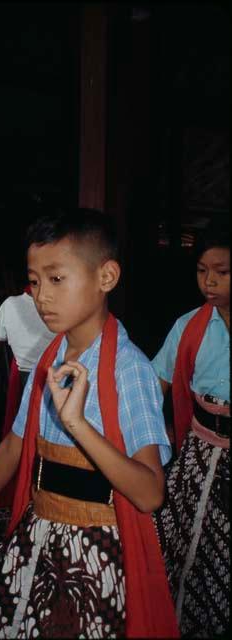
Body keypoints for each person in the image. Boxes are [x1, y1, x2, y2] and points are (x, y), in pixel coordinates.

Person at [0, 209, 179, 638]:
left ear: (106, 277)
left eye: (57, 279)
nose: (41, 296)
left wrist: (78, 425)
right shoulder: (52, 356)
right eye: (34, 281)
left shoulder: (129, 370)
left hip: (93, 551)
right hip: (37, 533)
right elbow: (14, 445)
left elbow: (150, 493)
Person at [152, 222, 230, 638]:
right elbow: (153, 387)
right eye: (202, 270)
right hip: (198, 457)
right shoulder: (189, 327)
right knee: (183, 550)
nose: (209, 281)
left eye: (222, 270)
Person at [0, 283, 57, 551]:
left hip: (28, 387)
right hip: (45, 390)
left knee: (18, 456)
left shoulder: (12, 306)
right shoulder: (65, 310)